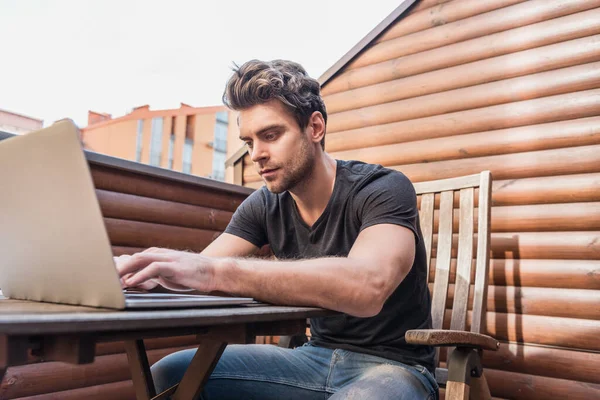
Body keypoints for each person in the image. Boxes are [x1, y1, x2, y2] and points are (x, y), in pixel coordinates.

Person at [116, 59, 438, 399]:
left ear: (315, 128)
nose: (256, 154)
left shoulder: (382, 188)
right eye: (249, 141)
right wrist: (150, 275)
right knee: (167, 375)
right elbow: (204, 270)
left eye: (270, 135)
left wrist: (211, 272)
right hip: (312, 358)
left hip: (395, 367)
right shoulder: (265, 204)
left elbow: (368, 287)